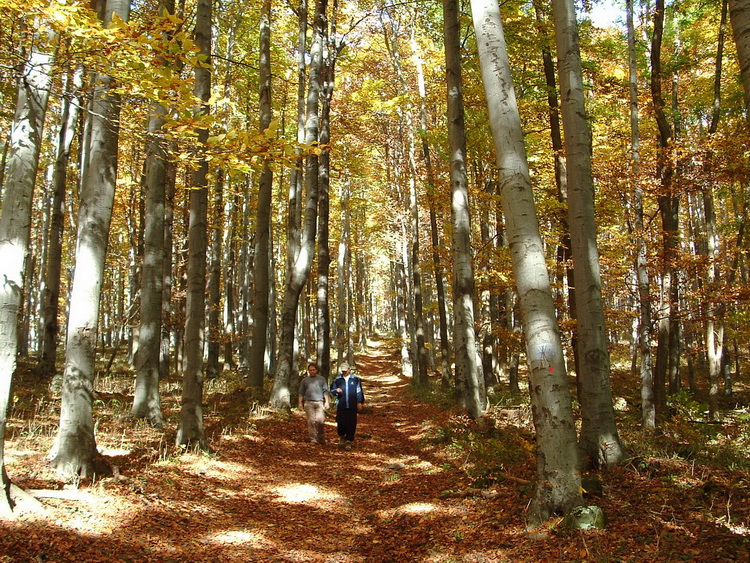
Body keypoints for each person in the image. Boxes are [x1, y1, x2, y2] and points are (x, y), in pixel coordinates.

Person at [330, 362, 365, 450]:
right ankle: (341, 436)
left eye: (345, 371)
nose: (344, 372)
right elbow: (332, 390)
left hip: (352, 405)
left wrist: (360, 402)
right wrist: (336, 391)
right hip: (341, 405)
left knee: (351, 424)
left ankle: (349, 441)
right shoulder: (337, 380)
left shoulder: (355, 380)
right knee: (341, 422)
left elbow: (359, 391)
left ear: (349, 370)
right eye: (342, 371)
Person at [298, 361, 330, 444]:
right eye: (310, 370)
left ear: (316, 370)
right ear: (308, 371)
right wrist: (300, 403)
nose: (312, 371)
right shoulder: (305, 380)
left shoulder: (321, 379)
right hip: (309, 403)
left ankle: (321, 437)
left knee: (321, 421)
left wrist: (326, 402)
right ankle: (313, 439)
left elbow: (325, 391)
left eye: (314, 370)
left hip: (319, 402)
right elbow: (301, 392)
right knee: (311, 421)